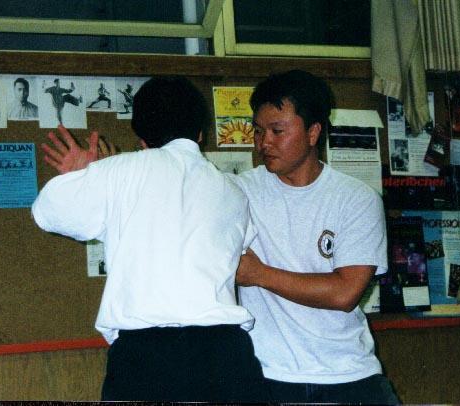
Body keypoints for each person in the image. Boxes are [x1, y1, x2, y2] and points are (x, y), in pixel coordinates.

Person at [31, 76, 265, 402]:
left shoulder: (120, 171)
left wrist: (83, 176)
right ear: (200, 134)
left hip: (145, 362)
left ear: (141, 139)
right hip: (226, 358)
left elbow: (47, 212)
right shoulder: (233, 191)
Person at [233, 69, 400, 404]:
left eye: (277, 131)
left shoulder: (356, 198)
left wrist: (259, 274)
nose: (264, 142)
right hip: (267, 374)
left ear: (313, 132)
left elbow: (345, 292)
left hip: (349, 373)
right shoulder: (237, 193)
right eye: (259, 131)